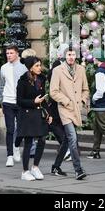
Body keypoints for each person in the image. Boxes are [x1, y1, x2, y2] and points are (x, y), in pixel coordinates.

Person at [50, 45, 90, 180]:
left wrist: (83, 100)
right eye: (69, 55)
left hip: (77, 109)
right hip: (65, 109)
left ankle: (56, 166)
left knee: (67, 140)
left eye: (73, 55)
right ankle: (78, 170)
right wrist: (66, 101)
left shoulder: (81, 69)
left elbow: (86, 89)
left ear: (76, 56)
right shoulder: (57, 70)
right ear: (64, 56)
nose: (71, 57)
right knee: (73, 138)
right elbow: (53, 92)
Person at [17, 57, 50, 181]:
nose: (39, 68)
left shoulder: (41, 79)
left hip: (39, 114)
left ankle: (35, 167)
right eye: (37, 66)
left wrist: (49, 114)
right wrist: (33, 102)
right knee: (29, 142)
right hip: (27, 115)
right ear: (30, 67)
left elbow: (44, 98)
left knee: (42, 140)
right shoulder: (23, 81)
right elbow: (19, 101)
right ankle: (25, 171)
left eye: (40, 65)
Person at [0, 45, 27, 167]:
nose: (9, 55)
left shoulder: (23, 68)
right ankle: (9, 156)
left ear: (17, 54)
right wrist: (2, 100)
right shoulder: (3, 68)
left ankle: (16, 146)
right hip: (7, 102)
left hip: (20, 102)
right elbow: (1, 85)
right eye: (7, 53)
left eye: (11, 53)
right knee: (10, 129)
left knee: (21, 129)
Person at [46, 43, 70, 176]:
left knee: (63, 129)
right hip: (58, 104)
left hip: (64, 104)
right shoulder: (57, 67)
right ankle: (66, 152)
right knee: (58, 126)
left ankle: (66, 154)